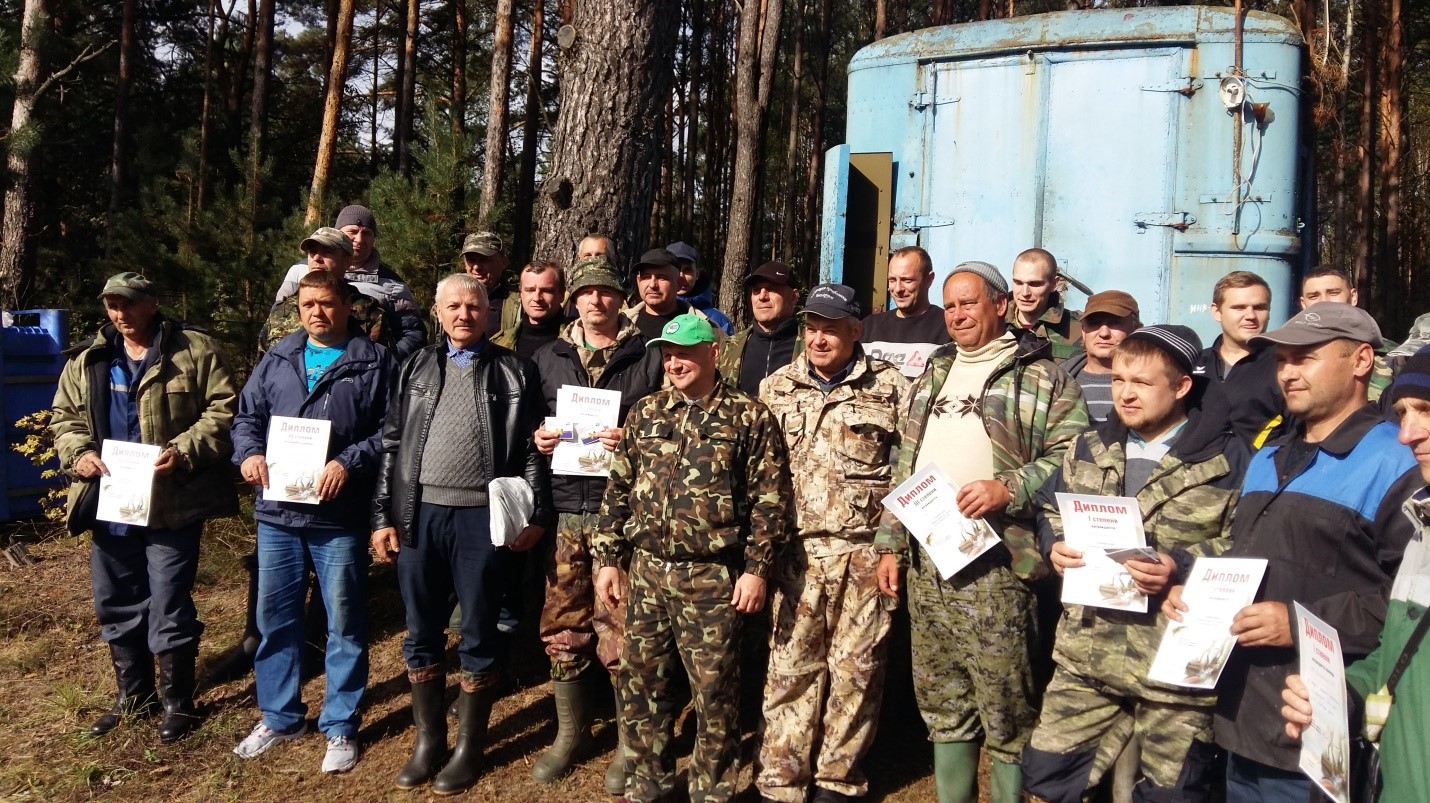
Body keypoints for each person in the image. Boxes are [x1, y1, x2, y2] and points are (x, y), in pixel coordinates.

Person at [1163, 303, 1422, 802]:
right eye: (1283, 360)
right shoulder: (1268, 455)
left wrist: (1299, 623)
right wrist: (1194, 589)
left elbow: (1405, 609)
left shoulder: (1397, 461)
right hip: (1242, 718)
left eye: (1305, 357)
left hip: (1322, 733)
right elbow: (1249, 557)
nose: (1288, 371)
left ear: (1362, 360)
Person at [874, 261, 1088, 803]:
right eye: (949, 305)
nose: (958, 314)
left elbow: (1076, 456)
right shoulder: (936, 370)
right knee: (942, 695)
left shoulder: (1041, 374)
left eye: (969, 302)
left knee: (1006, 699)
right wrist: (891, 542)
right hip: (930, 559)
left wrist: (1008, 488)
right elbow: (905, 456)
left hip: (998, 564)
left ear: (1000, 305)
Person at [1022, 325, 1245, 803]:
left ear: (1182, 386)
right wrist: (1053, 545)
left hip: (1175, 671)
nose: (1124, 393)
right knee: (1047, 781)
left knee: (1170, 795)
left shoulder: (1231, 462)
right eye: (1119, 379)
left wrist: (1181, 566)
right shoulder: (1088, 447)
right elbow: (1050, 507)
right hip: (1088, 656)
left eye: (1141, 383)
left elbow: (1250, 546)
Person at [592, 313, 793, 803]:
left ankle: (712, 791)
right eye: (668, 353)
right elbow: (618, 490)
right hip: (648, 573)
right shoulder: (645, 412)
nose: (675, 362)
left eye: (685, 352)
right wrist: (608, 558)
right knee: (642, 686)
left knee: (714, 693)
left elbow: (772, 501)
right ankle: (649, 785)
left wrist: (756, 570)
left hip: (711, 577)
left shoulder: (749, 416)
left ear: (713, 353)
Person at [369, 273, 555, 794]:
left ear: (488, 314)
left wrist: (535, 514)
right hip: (420, 514)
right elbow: (391, 444)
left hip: (480, 520)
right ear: (437, 310)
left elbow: (530, 451)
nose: (464, 315)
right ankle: (428, 742)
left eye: (473, 307)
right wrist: (383, 515)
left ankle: (469, 746)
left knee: (478, 629)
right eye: (453, 306)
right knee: (421, 629)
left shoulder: (515, 373)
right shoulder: (414, 366)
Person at [51, 272, 239, 743]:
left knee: (170, 599)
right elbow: (65, 416)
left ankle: (178, 702)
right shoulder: (89, 359)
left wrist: (183, 449)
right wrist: (79, 453)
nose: (121, 314)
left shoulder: (195, 350)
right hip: (112, 500)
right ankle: (134, 696)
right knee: (115, 599)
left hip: (172, 503)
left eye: (130, 304)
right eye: (113, 305)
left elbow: (224, 410)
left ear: (153, 303)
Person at [230, 270, 398, 773]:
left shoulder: (374, 361)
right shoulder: (279, 356)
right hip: (277, 514)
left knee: (344, 622)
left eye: (326, 304)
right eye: (307, 304)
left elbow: (392, 429)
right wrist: (249, 454)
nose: (316, 313)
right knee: (275, 620)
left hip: (337, 516)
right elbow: (246, 418)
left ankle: (340, 724)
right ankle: (280, 716)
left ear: (347, 306)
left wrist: (348, 461)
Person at [755, 284, 910, 803]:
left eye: (830, 328)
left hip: (864, 555)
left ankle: (837, 782)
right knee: (790, 670)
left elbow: (910, 472)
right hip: (795, 557)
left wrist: (893, 546)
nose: (819, 339)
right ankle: (782, 780)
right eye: (812, 328)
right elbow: (757, 476)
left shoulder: (892, 388)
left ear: (855, 331)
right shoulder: (776, 388)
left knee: (856, 673)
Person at [527, 256, 665, 787]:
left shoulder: (646, 357)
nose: (596, 302)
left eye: (606, 294)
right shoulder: (549, 356)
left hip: (621, 513)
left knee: (622, 628)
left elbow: (671, 427)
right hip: (564, 508)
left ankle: (630, 744)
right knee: (563, 625)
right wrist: (537, 441)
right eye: (586, 294)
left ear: (618, 300)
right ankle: (571, 733)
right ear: (575, 301)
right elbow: (526, 427)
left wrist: (632, 439)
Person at [1279, 351, 1430, 802]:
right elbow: (1398, 653)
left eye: (1426, 412)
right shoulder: (1422, 530)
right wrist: (1339, 698)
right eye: (1403, 414)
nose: (1406, 434)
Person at [271, 205, 428, 361]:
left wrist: (387, 364)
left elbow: (413, 334)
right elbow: (276, 322)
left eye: (366, 233)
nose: (359, 239)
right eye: (352, 232)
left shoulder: (392, 283)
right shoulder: (299, 270)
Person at [262, 227, 405, 356]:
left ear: (347, 261)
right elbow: (262, 369)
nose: (317, 258)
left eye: (327, 252)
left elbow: (384, 373)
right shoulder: (282, 311)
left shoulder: (369, 315)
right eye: (312, 251)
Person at [1192, 271, 1281, 447]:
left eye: (1259, 307)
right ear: (1216, 312)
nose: (1251, 316)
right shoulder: (1194, 364)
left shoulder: (1285, 366)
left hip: (1257, 471)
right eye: (1239, 308)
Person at [859, 246, 951, 378]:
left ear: (929, 280)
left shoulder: (948, 326)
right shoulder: (868, 327)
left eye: (907, 280)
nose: (897, 289)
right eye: (892, 280)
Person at [717, 260, 804, 395]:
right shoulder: (730, 348)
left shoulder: (810, 349)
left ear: (794, 297)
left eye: (772, 289)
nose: (762, 297)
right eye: (756, 290)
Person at [1058, 290, 1140, 424]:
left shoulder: (1150, 387)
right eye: (1094, 323)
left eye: (1115, 323)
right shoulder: (1058, 382)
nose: (1104, 333)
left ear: (1136, 329)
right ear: (1083, 332)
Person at [626, 247, 721, 341]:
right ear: (638, 281)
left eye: (662, 277)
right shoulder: (620, 323)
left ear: (679, 283)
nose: (652, 285)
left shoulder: (707, 328)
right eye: (646, 277)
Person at [1008, 248, 1083, 361]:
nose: (1024, 293)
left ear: (1054, 284)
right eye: (1018, 282)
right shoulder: (993, 324)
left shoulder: (1079, 329)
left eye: (1034, 284)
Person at [491, 260, 567, 359]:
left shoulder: (580, 341)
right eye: (530, 290)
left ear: (562, 295)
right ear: (520, 294)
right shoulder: (499, 344)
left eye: (546, 291)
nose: (537, 298)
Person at [460, 230, 523, 337]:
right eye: (471, 260)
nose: (476, 267)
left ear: (504, 262)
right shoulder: (449, 300)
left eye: (485, 260)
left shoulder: (520, 303)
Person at [668, 240, 734, 335]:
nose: (681, 276)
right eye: (676, 270)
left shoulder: (718, 320)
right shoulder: (651, 313)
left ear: (697, 274)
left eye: (687, 270)